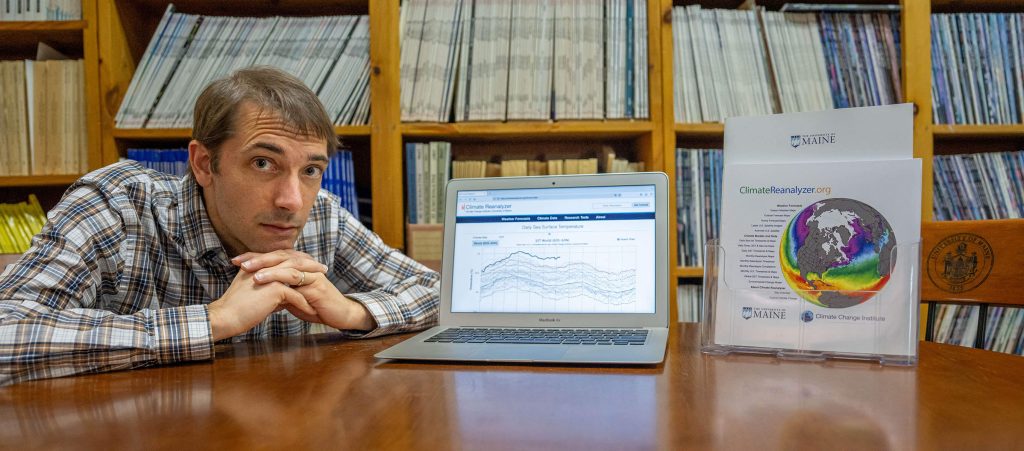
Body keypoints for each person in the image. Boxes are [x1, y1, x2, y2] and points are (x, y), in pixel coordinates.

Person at [0, 67, 439, 385]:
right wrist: (212, 321)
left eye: (310, 170)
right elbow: (8, 329)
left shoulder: (321, 216)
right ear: (204, 163)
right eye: (263, 163)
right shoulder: (117, 206)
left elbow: (438, 293)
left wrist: (352, 312)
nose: (292, 201)